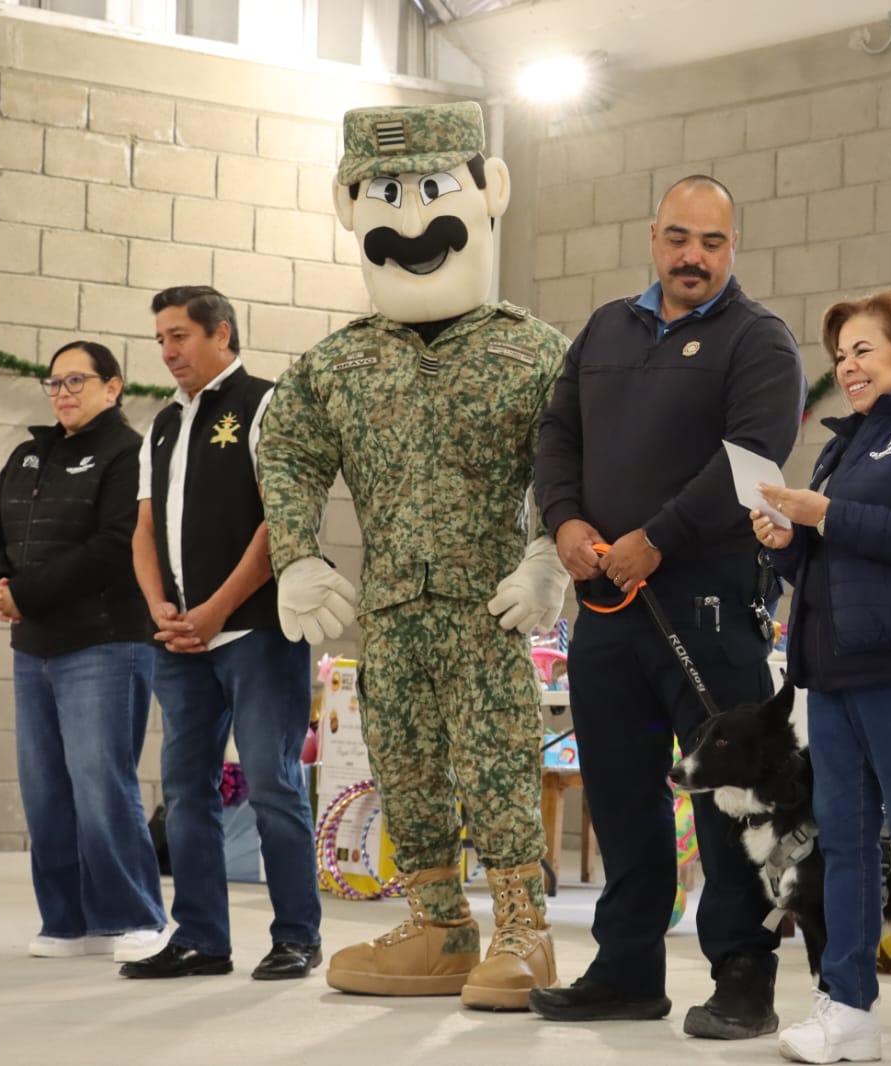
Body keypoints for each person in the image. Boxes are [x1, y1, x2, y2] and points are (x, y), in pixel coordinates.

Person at [257, 101, 570, 1010]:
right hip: (387, 609)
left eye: (432, 189)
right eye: (388, 194)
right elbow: (287, 450)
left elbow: (573, 459)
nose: (412, 218)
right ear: (352, 206)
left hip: (486, 606)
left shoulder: (531, 351)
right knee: (403, 763)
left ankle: (522, 929)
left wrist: (549, 551)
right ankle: (439, 924)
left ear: (486, 191)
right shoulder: (337, 364)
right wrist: (297, 557)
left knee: (500, 760)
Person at [530, 174, 806, 1039]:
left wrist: (657, 537)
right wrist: (565, 520)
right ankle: (625, 971)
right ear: (653, 237)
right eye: (679, 238)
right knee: (619, 793)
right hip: (605, 607)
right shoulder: (607, 329)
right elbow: (556, 435)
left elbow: (751, 459)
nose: (693, 256)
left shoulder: (759, 341)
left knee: (726, 803)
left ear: (734, 248)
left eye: (712, 243)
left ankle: (742, 979)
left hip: (710, 608)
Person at [751, 288, 891, 1066]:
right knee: (842, 844)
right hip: (832, 672)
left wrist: (824, 516)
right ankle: (846, 1006)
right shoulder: (841, 446)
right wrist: (785, 539)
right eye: (840, 355)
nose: (847, 366)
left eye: (864, 351)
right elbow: (819, 562)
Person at [120, 285, 321, 982]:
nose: (168, 351)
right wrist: (160, 608)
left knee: (272, 782)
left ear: (222, 333)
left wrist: (217, 608)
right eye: (161, 340)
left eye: (179, 336)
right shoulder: (163, 424)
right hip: (179, 641)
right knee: (184, 790)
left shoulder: (267, 403)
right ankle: (201, 936)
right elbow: (144, 529)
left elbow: (281, 523)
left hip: (256, 633)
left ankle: (297, 934)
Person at [0, 341, 167, 965]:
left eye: (76, 380)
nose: (63, 392)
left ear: (114, 387)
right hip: (34, 648)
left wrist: (23, 594)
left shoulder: (128, 454)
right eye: (54, 383)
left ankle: (136, 917)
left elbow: (115, 545)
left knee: (101, 785)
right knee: (45, 789)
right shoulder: (29, 454)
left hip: (104, 644)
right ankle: (67, 920)